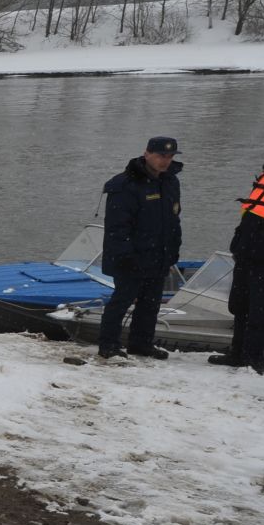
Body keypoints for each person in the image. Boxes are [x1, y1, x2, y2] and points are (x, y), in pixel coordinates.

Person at [212, 119, 264, 373]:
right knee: (241, 306)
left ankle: (258, 360)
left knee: (263, 310)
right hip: (251, 254)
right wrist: (245, 242)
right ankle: (239, 354)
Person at [96, 135, 184, 361]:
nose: (165, 161)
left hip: (158, 255)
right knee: (121, 301)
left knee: (151, 303)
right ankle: (108, 345)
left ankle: (141, 343)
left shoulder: (170, 181)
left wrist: (174, 248)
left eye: (170, 156)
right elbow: (117, 226)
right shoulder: (125, 184)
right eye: (160, 156)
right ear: (147, 154)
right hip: (131, 256)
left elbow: (174, 219)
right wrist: (125, 255)